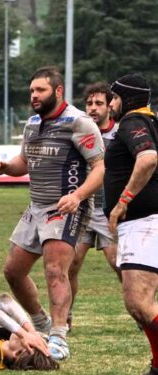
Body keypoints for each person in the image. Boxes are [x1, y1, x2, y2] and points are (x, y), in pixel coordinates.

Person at [0, 67, 105, 361]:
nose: (34, 96)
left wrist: (78, 196)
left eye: (40, 90)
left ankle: (59, 337)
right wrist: (7, 168)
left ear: (57, 91)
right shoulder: (32, 124)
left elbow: (100, 168)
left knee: (55, 270)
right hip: (36, 207)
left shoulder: (79, 123)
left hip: (65, 207)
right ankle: (40, 322)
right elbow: (24, 163)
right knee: (13, 271)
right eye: (31, 91)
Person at [102, 74, 158, 375]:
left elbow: (148, 158)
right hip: (142, 223)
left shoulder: (132, 122)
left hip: (144, 222)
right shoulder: (147, 121)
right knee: (139, 305)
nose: (111, 104)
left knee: (139, 302)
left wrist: (124, 200)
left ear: (128, 99)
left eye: (113, 98)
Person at [67, 82, 122, 330]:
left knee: (119, 264)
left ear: (110, 105)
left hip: (109, 210)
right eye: (89, 103)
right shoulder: (79, 132)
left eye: (99, 103)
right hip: (82, 208)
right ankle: (65, 317)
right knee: (71, 263)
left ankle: (143, 308)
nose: (93, 108)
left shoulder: (121, 134)